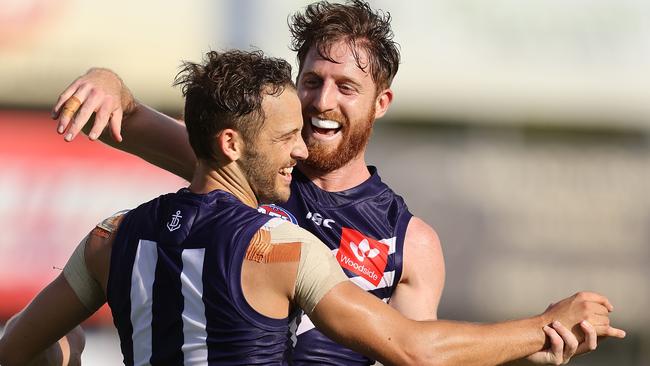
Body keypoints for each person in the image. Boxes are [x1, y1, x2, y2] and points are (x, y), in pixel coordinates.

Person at [41, 1, 623, 365]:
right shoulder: (252, 170)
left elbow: (415, 354)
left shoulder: (409, 241)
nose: (322, 101)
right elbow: (126, 118)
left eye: (346, 86)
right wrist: (106, 78)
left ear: (381, 103)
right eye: (312, 80)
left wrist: (520, 347)